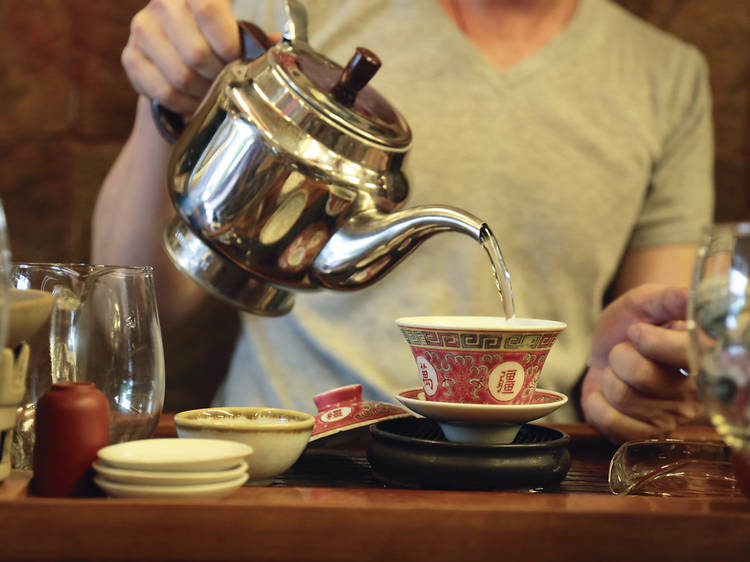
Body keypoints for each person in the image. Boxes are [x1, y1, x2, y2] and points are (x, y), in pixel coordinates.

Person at [93, 0, 714, 443]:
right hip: (280, 468)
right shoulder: (289, 17)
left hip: (522, 476)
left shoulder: (666, 75)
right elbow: (127, 301)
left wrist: (636, 374)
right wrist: (170, 103)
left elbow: (656, 327)